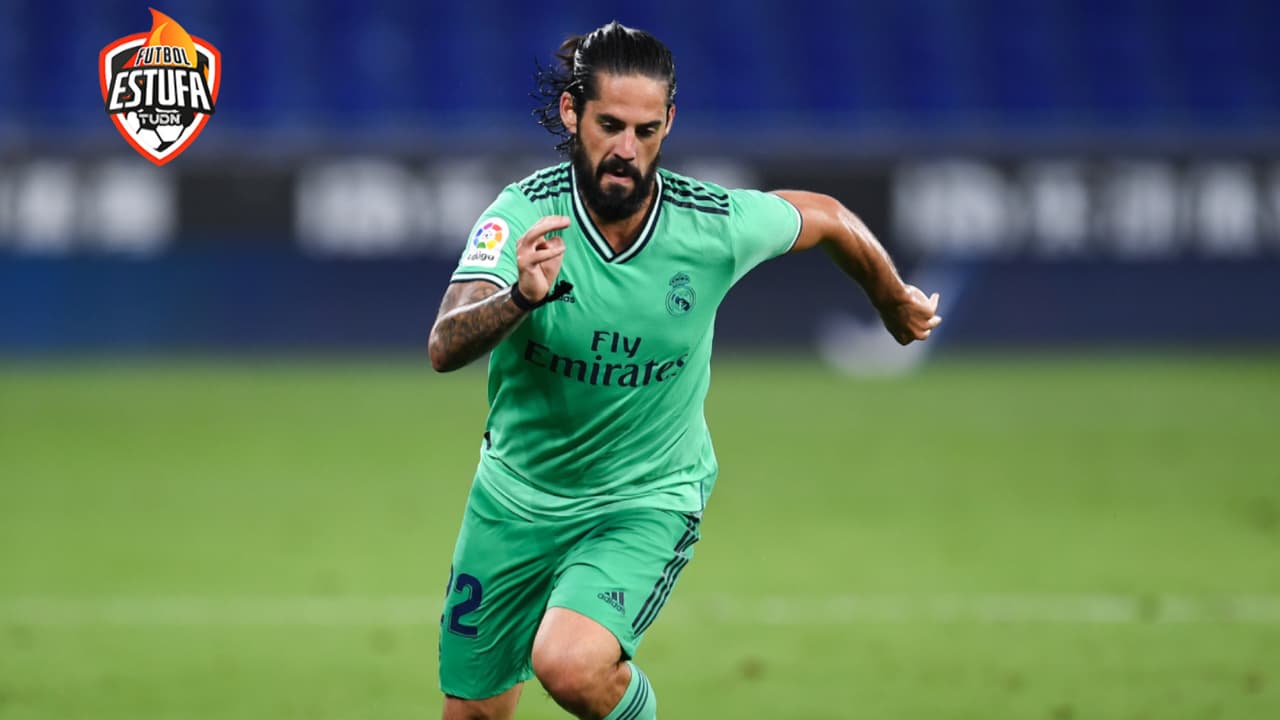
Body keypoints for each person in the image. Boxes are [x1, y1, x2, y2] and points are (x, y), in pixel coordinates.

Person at [428, 21, 941, 720]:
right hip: (516, 499)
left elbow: (825, 216)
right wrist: (519, 297)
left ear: (669, 122)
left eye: (646, 130)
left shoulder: (710, 225)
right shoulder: (524, 216)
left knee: (571, 665)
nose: (626, 149)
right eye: (610, 125)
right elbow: (445, 344)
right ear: (572, 113)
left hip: (644, 498)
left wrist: (892, 298)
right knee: (474, 715)